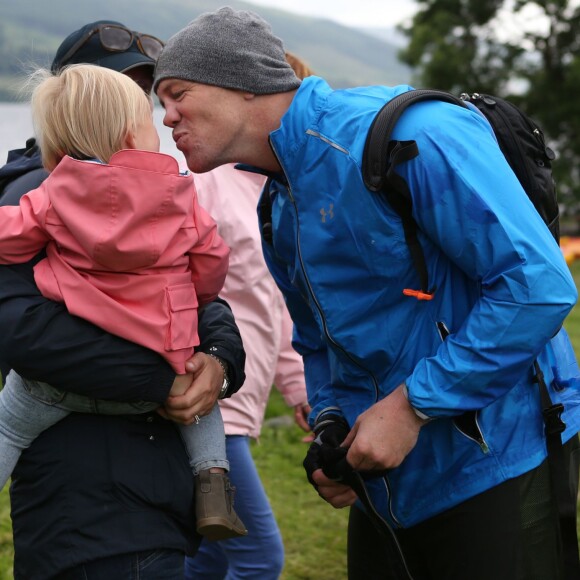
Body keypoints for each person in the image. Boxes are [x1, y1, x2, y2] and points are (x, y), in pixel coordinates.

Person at [154, 7, 580, 579]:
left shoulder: (409, 135)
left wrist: (411, 408)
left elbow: (538, 287)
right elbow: (318, 341)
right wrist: (334, 426)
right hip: (390, 488)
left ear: (242, 81)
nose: (166, 115)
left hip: (499, 461)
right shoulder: (278, 204)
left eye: (177, 92)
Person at [0, 21, 246, 579]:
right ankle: (214, 480)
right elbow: (22, 330)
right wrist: (167, 374)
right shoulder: (31, 191)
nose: (138, 114)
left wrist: (221, 359)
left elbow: (204, 294)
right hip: (90, 506)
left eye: (143, 96)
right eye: (122, 93)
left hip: (142, 494)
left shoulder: (148, 195)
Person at [184, 50, 313, 580]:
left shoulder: (282, 189)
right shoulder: (205, 182)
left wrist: (302, 390)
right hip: (211, 401)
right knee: (260, 558)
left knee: (209, 556)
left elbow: (277, 305)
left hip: (246, 400)